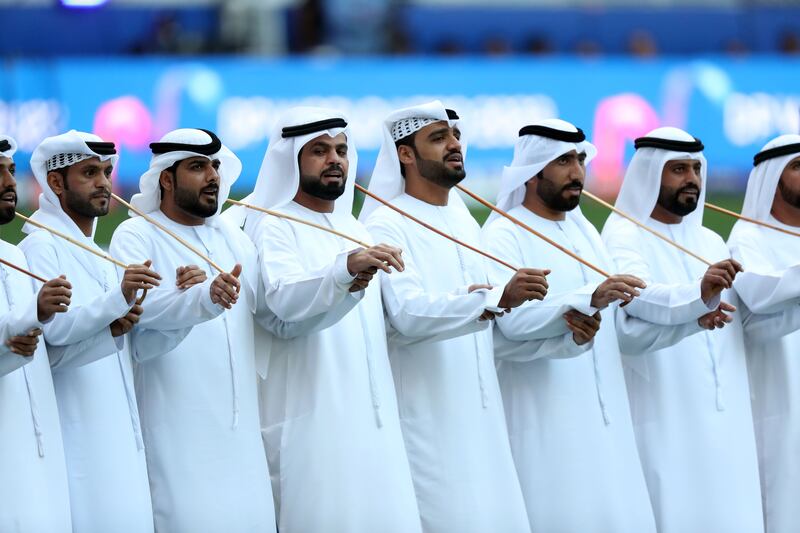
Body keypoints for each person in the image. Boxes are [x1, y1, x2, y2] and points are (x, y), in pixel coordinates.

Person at [233, 106, 422, 532]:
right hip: (311, 418)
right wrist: (345, 269)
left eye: (340, 149)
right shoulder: (274, 226)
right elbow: (283, 301)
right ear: (291, 160)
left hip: (373, 415)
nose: (335, 159)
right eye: (319, 150)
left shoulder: (357, 229)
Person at [362, 100, 546, 532]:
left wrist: (563, 329)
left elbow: (489, 328)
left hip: (483, 417)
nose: (454, 145)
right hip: (427, 419)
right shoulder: (386, 225)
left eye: (456, 136)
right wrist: (497, 296)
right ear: (404, 154)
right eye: (438, 138)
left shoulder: (464, 220)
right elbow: (406, 314)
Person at [601, 126, 795, 533]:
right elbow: (634, 299)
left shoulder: (709, 239)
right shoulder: (623, 233)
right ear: (649, 175)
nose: (691, 179)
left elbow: (748, 326)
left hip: (729, 416)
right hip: (665, 411)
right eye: (677, 169)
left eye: (695, 169)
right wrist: (697, 296)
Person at [482, 119, 656, 532]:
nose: (578, 172)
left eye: (580, 159)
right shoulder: (502, 235)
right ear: (533, 170)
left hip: (605, 420)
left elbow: (618, 331)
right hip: (544, 422)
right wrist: (587, 298)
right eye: (563, 161)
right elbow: (509, 323)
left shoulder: (585, 232)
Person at [109, 128, 276, 532]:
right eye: (198, 167)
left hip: (243, 433)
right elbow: (136, 312)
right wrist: (201, 298)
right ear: (166, 178)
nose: (213, 176)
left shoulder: (233, 239)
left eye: (215, 166)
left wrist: (342, 280)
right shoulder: (135, 235)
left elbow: (273, 312)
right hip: (177, 430)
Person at [20, 131, 160, 533]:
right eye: (89, 173)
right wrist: (118, 299)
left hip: (120, 438)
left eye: (106, 171)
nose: (103, 182)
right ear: (56, 183)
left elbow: (121, 336)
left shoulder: (98, 254)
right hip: (79, 441)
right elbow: (55, 334)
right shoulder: (40, 247)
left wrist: (198, 299)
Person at [727, 134, 800, 533]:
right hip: (778, 400)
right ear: (771, 178)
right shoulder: (747, 238)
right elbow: (758, 296)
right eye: (798, 167)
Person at [0, 133, 73, 532]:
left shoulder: (13, 255)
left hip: (41, 448)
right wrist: (31, 314)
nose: (11, 184)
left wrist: (116, 319)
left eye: (11, 171)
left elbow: (49, 355)